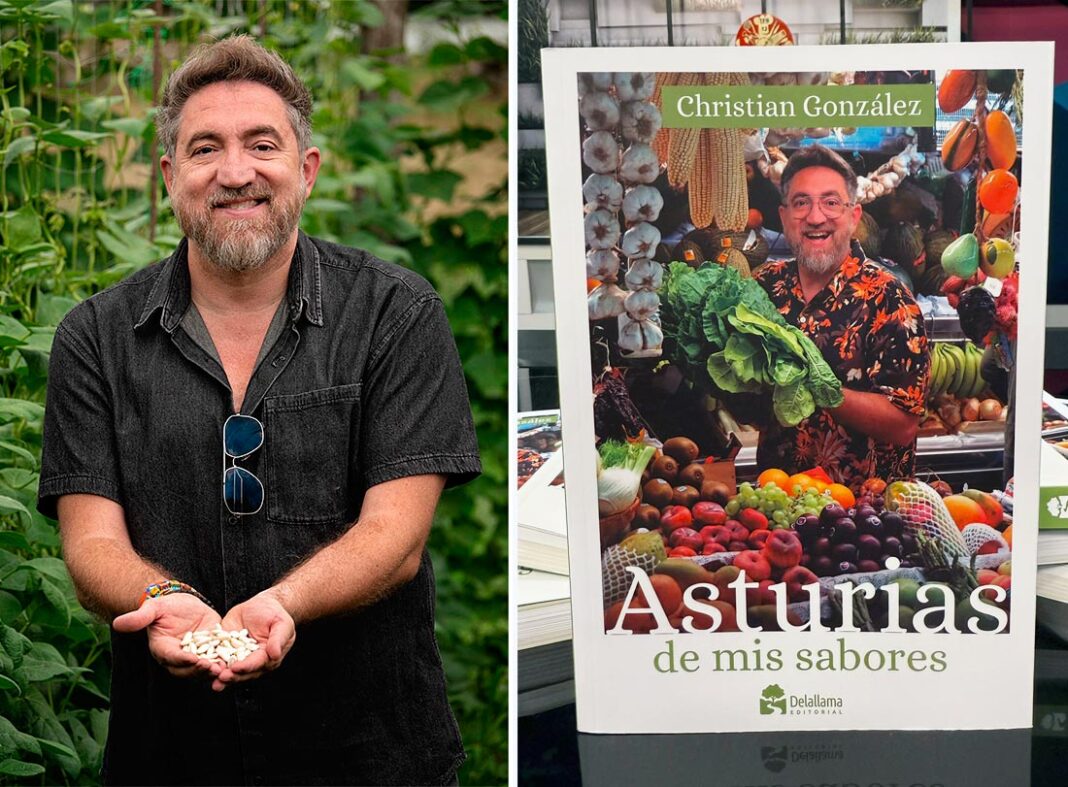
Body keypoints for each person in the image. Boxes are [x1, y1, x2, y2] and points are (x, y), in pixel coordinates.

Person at [37, 35, 481, 786]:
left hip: (366, 752)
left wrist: (283, 601)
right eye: (205, 149)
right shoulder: (96, 337)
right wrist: (166, 598)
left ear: (305, 171)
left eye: (261, 144)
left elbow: (396, 536)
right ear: (171, 177)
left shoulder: (394, 315)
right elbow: (89, 546)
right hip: (172, 756)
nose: (235, 172)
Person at [752, 144, 930, 491]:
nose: (816, 217)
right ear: (784, 216)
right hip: (776, 506)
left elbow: (903, 422)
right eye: (801, 203)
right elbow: (754, 406)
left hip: (865, 518)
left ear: (854, 216)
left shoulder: (889, 297)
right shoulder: (764, 287)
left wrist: (819, 388)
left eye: (831, 202)